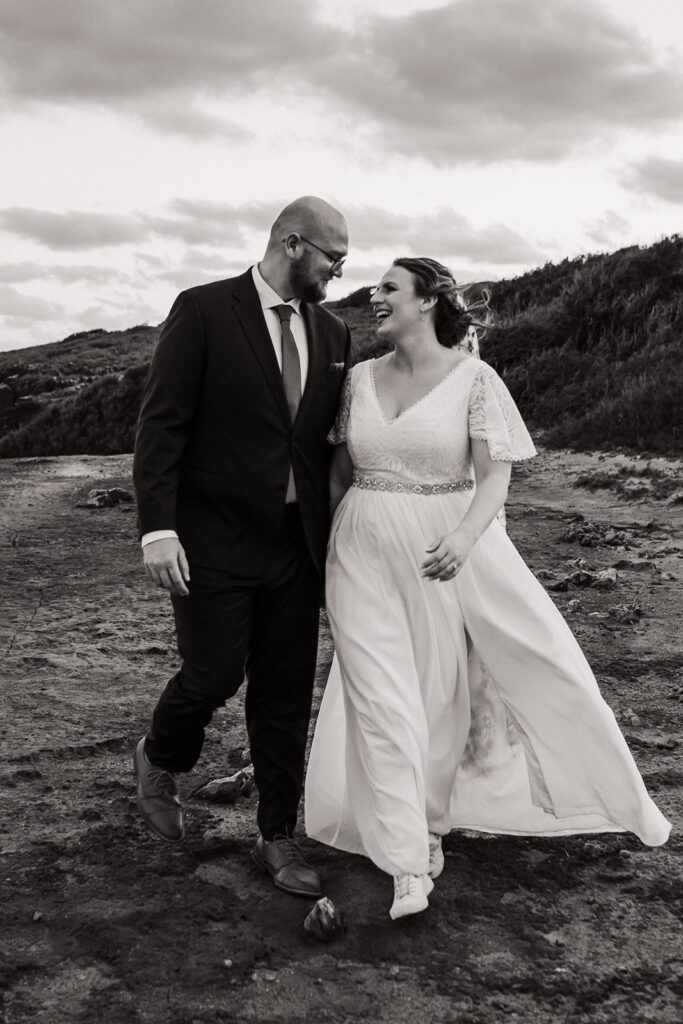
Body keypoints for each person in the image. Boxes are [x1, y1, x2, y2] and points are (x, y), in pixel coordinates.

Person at [304, 257, 670, 921]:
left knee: (439, 701)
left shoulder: (475, 379)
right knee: (379, 698)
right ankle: (407, 864)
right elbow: (336, 472)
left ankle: (432, 821)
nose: (374, 298)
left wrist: (465, 540)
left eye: (388, 288)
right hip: (357, 551)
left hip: (439, 553)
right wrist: (324, 549)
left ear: (425, 301)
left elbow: (493, 476)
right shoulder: (356, 380)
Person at [133, 196, 351, 899]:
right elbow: (161, 425)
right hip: (213, 539)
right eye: (332, 258)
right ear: (293, 244)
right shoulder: (202, 311)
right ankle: (160, 755)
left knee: (284, 696)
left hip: (295, 547)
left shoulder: (334, 334)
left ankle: (276, 835)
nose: (338, 273)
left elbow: (320, 445)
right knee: (212, 675)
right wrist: (157, 527)